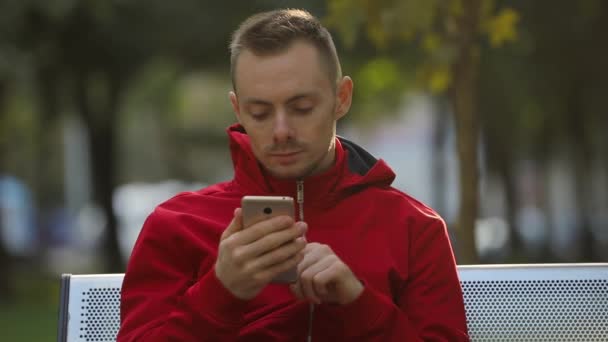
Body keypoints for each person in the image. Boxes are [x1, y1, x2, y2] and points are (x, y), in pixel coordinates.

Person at [118, 9, 469, 341]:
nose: (281, 130)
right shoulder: (177, 226)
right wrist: (220, 292)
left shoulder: (412, 228)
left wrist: (358, 303)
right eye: (259, 113)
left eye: (301, 108)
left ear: (341, 98)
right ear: (238, 109)